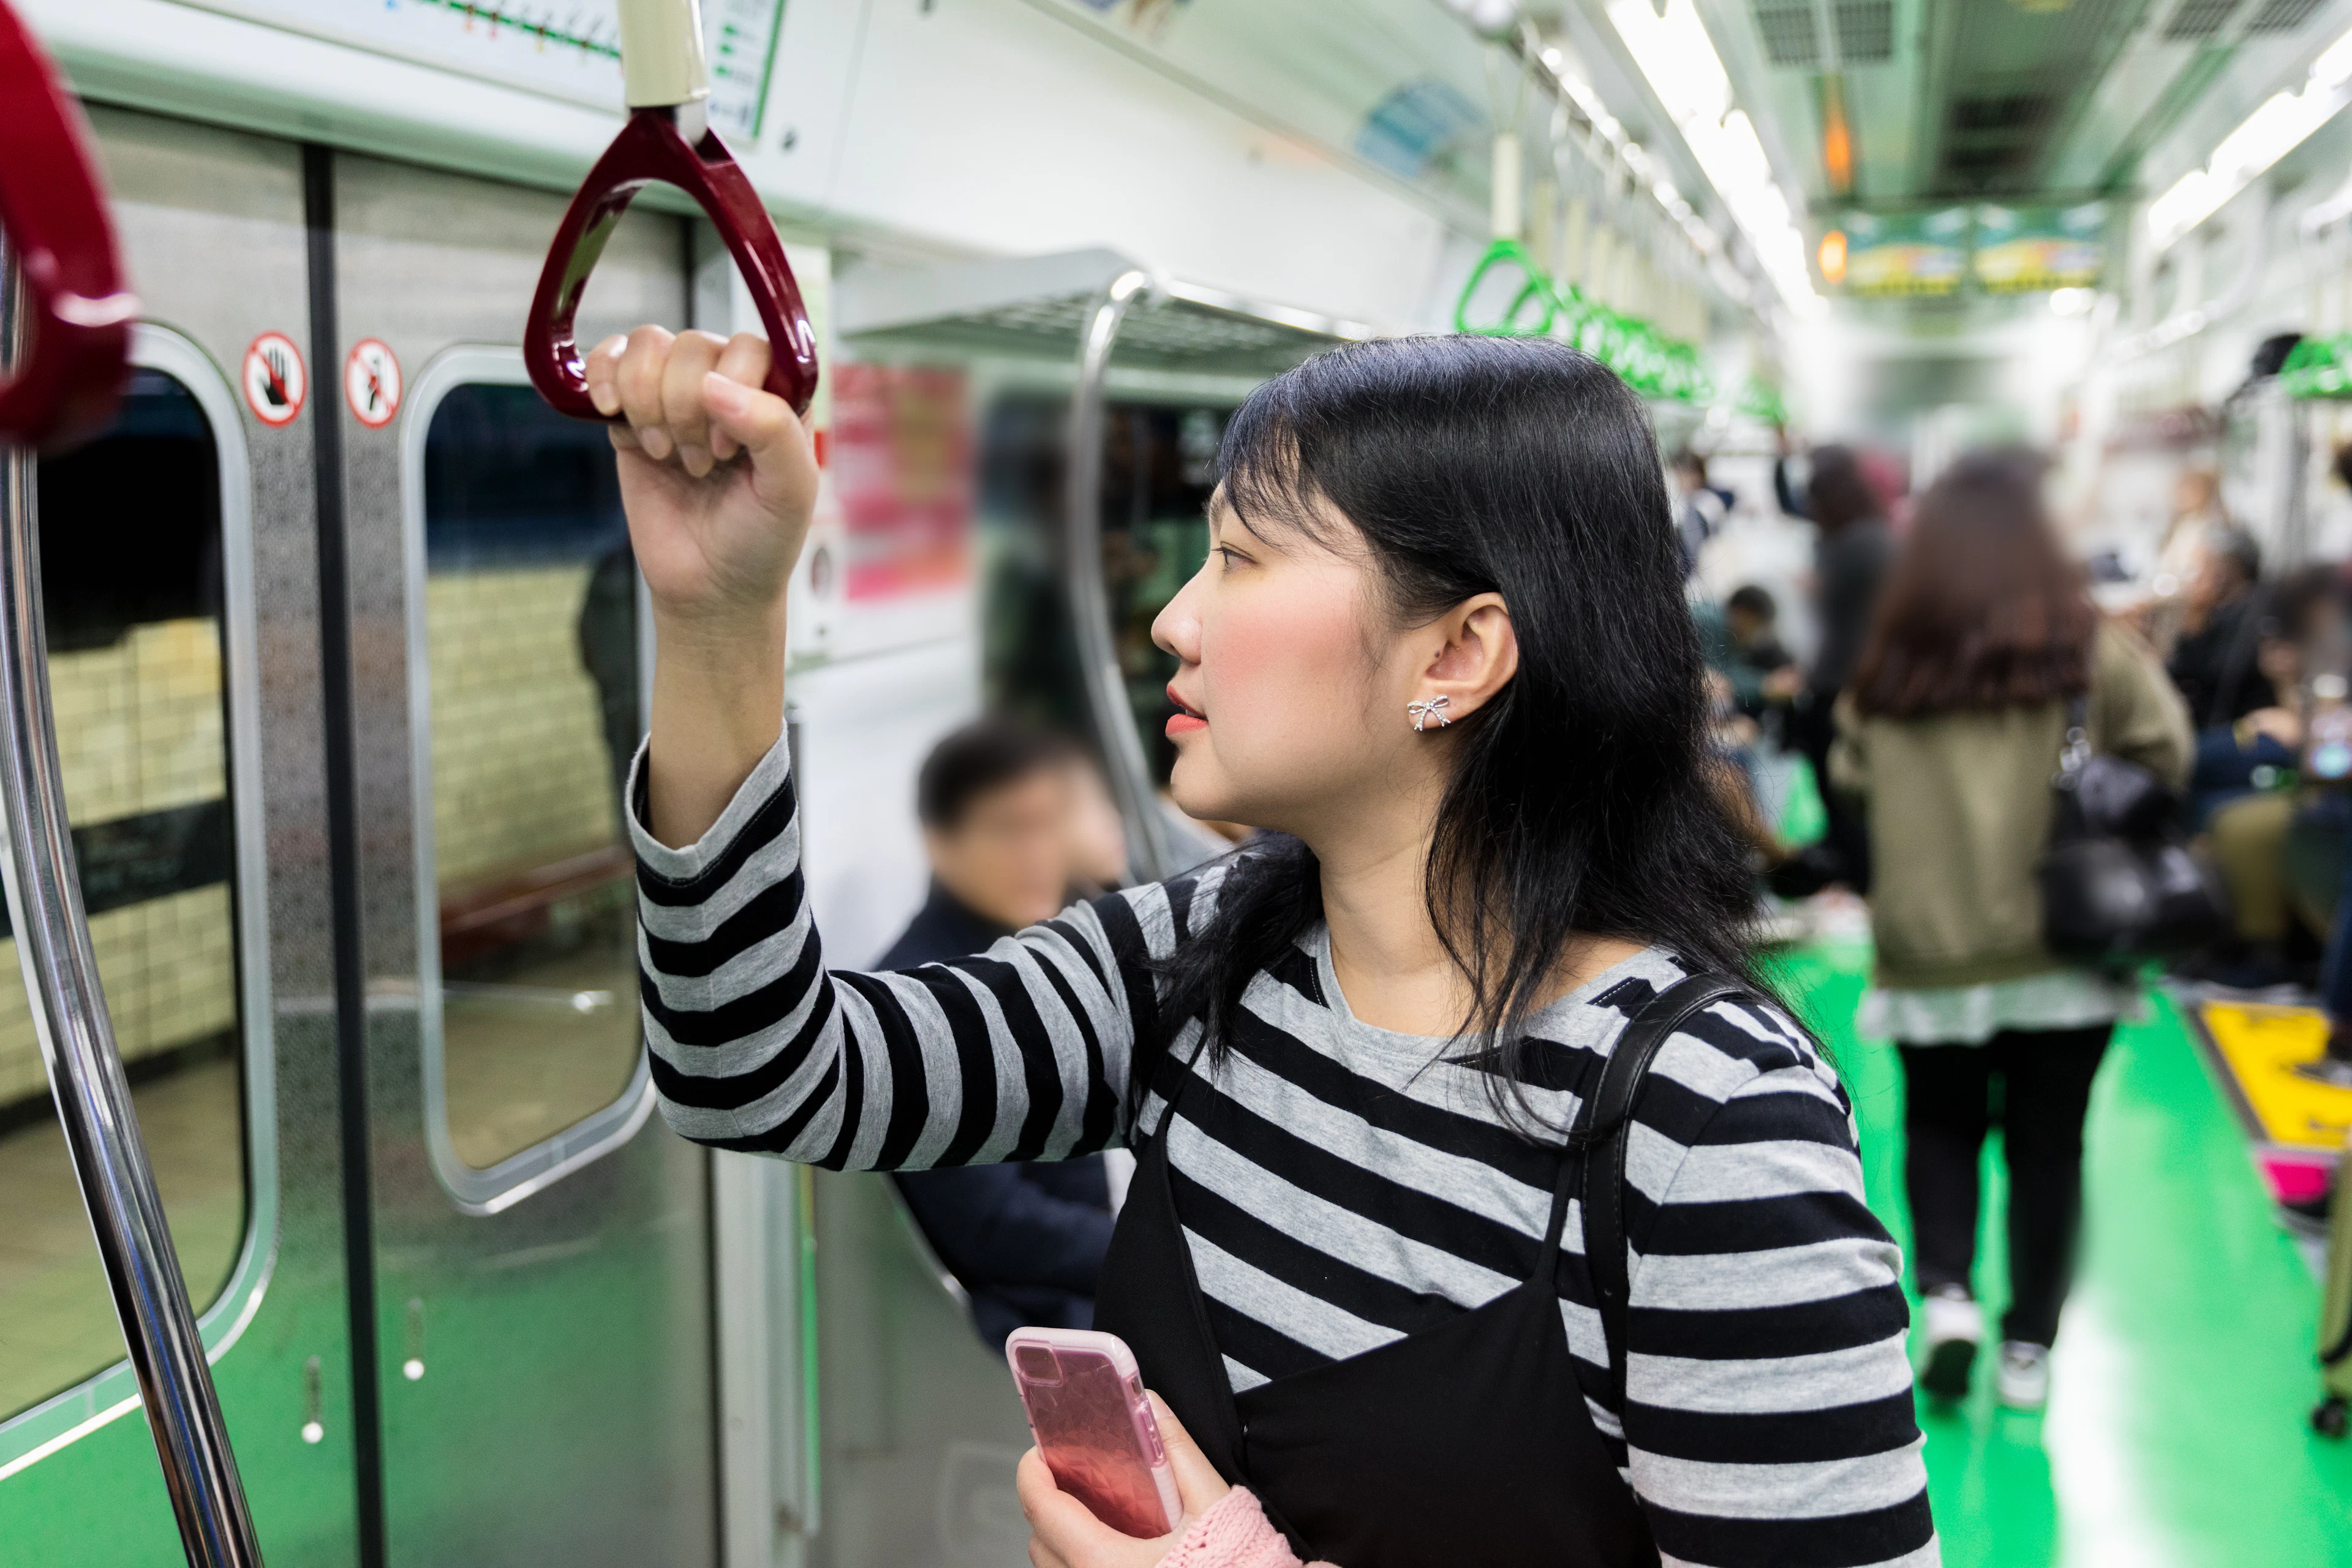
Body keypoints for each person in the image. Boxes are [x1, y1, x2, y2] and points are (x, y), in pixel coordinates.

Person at [598, 325, 1934, 1568]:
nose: (1177, 619)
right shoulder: (1202, 958)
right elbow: (758, 1063)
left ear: (1459, 653)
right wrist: (718, 623)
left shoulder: (1704, 1127)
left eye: (1241, 557)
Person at [1832, 451, 2191, 1412]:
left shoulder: (1892, 663)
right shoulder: (2084, 647)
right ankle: (2029, 1345)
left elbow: (1853, 780)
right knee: (2049, 1147)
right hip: (2062, 942)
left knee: (1942, 1126)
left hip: (1929, 947)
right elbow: (2168, 751)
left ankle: (1948, 1297)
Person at [881, 719, 1119, 1351]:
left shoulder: (1075, 931)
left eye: (1049, 824)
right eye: (1010, 829)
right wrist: (1163, 1255)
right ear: (940, 842)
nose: (1038, 853)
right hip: (1051, 1308)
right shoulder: (921, 1002)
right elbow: (991, 1223)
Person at [1779, 443, 1895, 889]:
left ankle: (1854, 877)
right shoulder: (1880, 537)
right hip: (1871, 680)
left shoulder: (1843, 545)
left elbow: (1826, 609)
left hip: (1838, 681)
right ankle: (1859, 875)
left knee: (1837, 789)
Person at [2167, 527, 2265, 728]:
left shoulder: (2249, 615)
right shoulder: (2221, 610)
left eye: (2199, 569)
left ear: (2226, 571)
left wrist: (2193, 625)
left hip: (2240, 731)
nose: (2192, 579)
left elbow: (2212, 676)